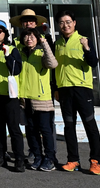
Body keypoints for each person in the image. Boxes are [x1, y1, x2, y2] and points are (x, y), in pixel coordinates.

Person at [54, 10, 100, 175]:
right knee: (69, 126)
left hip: (82, 89)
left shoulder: (84, 40)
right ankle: (73, 160)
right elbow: (55, 68)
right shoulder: (57, 44)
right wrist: (56, 88)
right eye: (61, 22)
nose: (65, 25)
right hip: (64, 90)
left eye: (68, 22)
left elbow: (93, 63)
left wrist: (87, 48)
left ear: (74, 23)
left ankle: (95, 161)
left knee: (90, 125)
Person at [0, 20, 25, 172]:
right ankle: (0, 156)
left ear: (5, 33)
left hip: (10, 95)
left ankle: (19, 159)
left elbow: (16, 69)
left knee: (14, 128)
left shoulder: (12, 49)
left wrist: (8, 56)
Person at [17, 28, 58, 172]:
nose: (29, 39)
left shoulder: (42, 52)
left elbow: (53, 64)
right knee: (31, 130)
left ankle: (50, 158)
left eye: (32, 36)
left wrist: (45, 43)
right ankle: (38, 156)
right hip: (25, 98)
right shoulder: (20, 54)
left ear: (38, 38)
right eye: (26, 36)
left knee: (45, 130)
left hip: (42, 98)